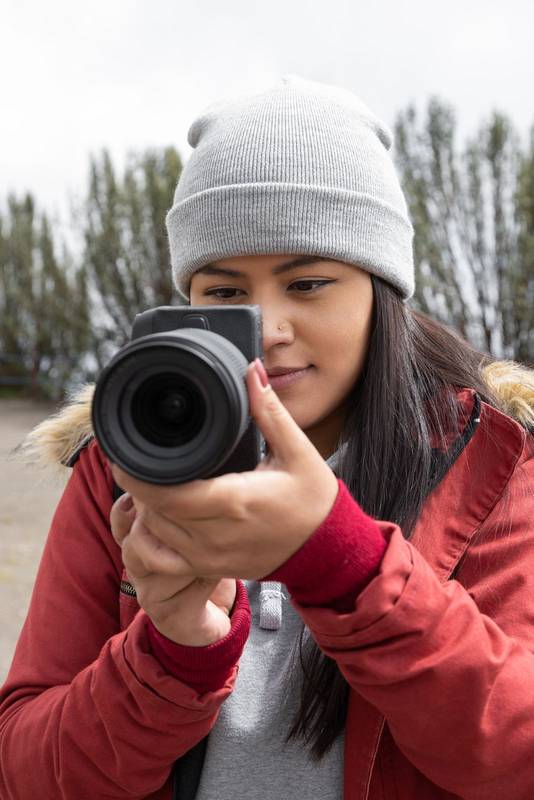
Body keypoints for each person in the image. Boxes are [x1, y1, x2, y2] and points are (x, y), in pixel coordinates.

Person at [1, 75, 534, 800]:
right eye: (224, 294)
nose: (268, 330)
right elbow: (26, 774)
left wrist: (341, 560)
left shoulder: (489, 457)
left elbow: (515, 755)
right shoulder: (120, 465)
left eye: (308, 283)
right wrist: (168, 655)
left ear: (382, 295)